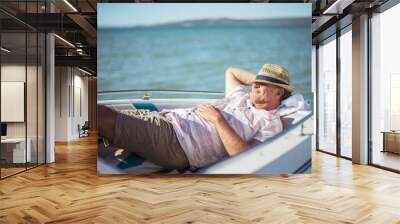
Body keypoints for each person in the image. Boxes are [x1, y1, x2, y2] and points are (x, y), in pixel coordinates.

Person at [98, 64, 294, 171]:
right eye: (256, 82)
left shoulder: (270, 122)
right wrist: (261, 80)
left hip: (176, 141)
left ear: (279, 93)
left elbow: (245, 157)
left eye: (264, 83)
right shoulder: (241, 98)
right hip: (169, 121)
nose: (256, 85)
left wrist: (218, 119)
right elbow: (231, 71)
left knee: (100, 115)